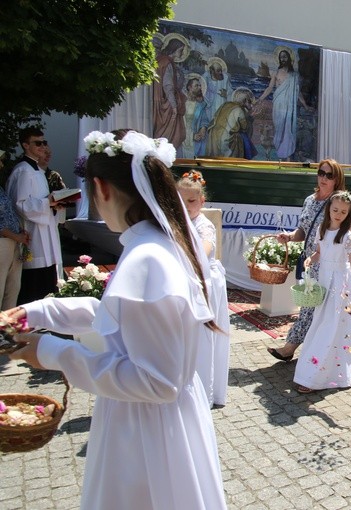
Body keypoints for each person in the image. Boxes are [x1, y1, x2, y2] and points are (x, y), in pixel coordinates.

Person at [6, 129, 226, 509]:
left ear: (101, 189)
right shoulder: (155, 244)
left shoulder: (148, 258)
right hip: (150, 417)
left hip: (146, 431)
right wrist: (37, 312)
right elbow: (116, 317)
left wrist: (53, 352)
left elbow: (157, 382)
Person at [267, 159, 351, 362]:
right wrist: (290, 237)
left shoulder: (342, 202)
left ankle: (292, 349)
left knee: (313, 309)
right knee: (312, 307)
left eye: (329, 175)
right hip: (311, 261)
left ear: (337, 179)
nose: (324, 178)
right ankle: (333, 351)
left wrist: (346, 261)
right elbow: (304, 230)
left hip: (331, 265)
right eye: (321, 173)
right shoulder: (310, 200)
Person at [293, 191, 351, 393]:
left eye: (343, 212)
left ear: (349, 214)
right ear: (329, 209)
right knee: (323, 324)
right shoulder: (323, 229)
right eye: (335, 209)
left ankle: (314, 376)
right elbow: (320, 252)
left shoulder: (347, 237)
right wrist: (311, 259)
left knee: (330, 327)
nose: (338, 214)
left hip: (341, 285)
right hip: (324, 282)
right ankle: (335, 367)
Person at [177, 170, 230, 407]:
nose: (187, 206)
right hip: (187, 279)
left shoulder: (204, 225)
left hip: (204, 282)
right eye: (181, 201)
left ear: (202, 201)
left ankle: (203, 392)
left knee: (203, 338)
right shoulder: (177, 222)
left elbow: (204, 250)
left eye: (191, 201)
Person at [6, 128, 64, 304]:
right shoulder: (23, 170)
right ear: (25, 145)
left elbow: (42, 201)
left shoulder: (37, 170)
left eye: (43, 142)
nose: (42, 146)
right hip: (33, 234)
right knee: (35, 282)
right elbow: (20, 204)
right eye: (37, 143)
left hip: (45, 230)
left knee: (47, 278)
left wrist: (55, 205)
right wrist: (48, 202)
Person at [256, 48, 312, 160]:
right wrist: (260, 99)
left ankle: (287, 156)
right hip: (278, 105)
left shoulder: (294, 75)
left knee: (288, 129)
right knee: (279, 128)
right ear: (279, 59)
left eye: (285, 56)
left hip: (289, 107)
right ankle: (279, 155)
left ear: (289, 58)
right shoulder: (276, 73)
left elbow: (297, 92)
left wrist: (305, 105)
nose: (283, 58)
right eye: (281, 57)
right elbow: (270, 88)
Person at [0, 151, 28, 309]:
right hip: (3, 242)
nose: (2, 164)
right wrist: (17, 237)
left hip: (13, 242)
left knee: (12, 290)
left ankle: (6, 330)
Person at [153, 36, 189, 148]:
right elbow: (168, 86)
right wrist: (174, 106)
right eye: (180, 50)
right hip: (166, 105)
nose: (182, 53)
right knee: (176, 135)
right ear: (174, 49)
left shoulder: (160, 60)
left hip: (158, 101)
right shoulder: (167, 62)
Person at [207, 87, 257, 159]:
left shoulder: (225, 105)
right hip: (228, 139)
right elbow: (245, 127)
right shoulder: (240, 110)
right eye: (249, 102)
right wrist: (250, 118)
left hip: (214, 137)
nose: (251, 105)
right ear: (245, 101)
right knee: (243, 137)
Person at [182, 76, 210, 158]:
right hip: (184, 137)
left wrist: (203, 129)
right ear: (189, 87)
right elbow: (180, 123)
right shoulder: (182, 103)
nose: (199, 88)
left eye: (200, 86)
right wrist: (191, 136)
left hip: (196, 140)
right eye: (196, 86)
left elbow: (204, 119)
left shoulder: (200, 105)